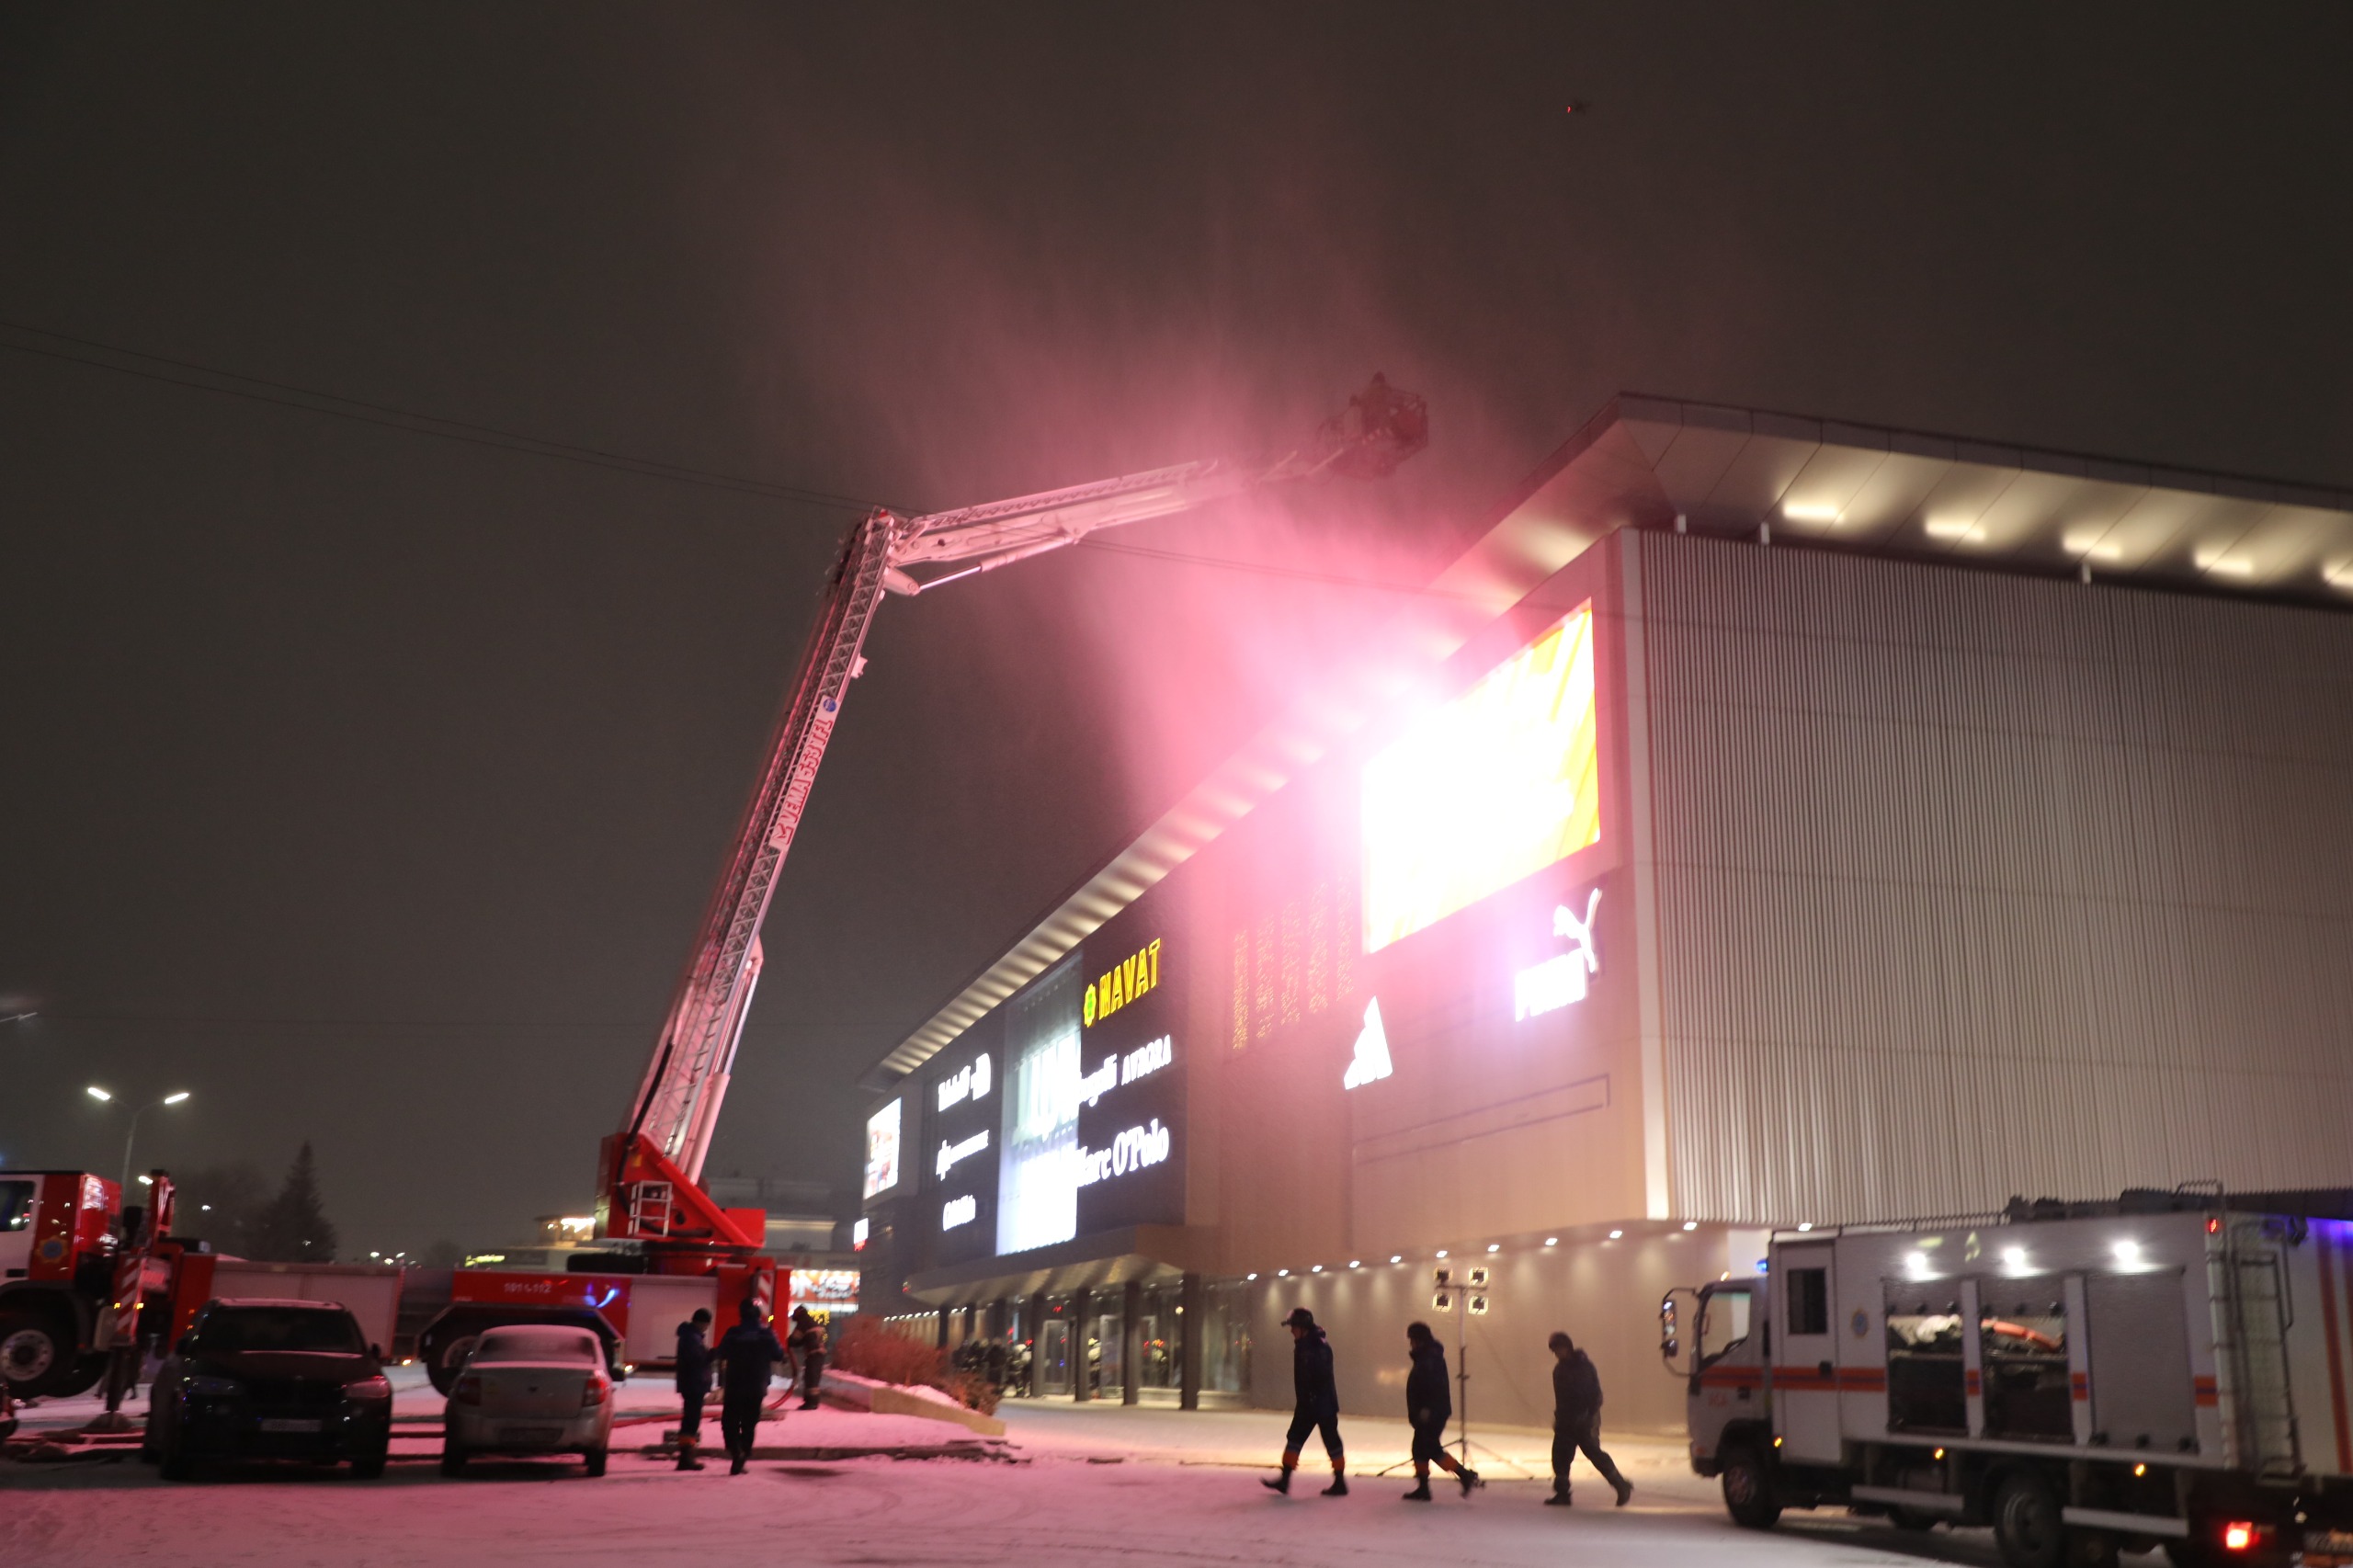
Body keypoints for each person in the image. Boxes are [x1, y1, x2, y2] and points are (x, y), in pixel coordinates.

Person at [1262, 1307, 1346, 1496]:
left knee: (1331, 1440)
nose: (1291, 1330)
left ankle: (1340, 1482)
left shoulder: (1319, 1347)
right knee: (1295, 1438)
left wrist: (1312, 1397)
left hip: (1321, 1404)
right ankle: (1285, 1480)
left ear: (1303, 1327)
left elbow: (1322, 1376)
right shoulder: (1305, 1345)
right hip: (1308, 1403)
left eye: (1294, 1327)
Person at [1547, 1331, 1632, 1507]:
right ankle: (1562, 1493)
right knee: (1560, 1456)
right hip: (1566, 1420)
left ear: (1567, 1348)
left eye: (1558, 1349)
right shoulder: (1560, 1368)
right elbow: (1562, 1398)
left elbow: (1594, 1396)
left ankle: (1620, 1485)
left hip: (1584, 1420)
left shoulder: (1582, 1367)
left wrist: (1586, 1416)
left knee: (1594, 1454)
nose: (1556, 1354)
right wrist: (1560, 1417)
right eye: (1554, 1350)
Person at [1400, 1322, 1480, 1501]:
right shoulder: (1427, 1356)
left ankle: (1464, 1475)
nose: (1410, 1343)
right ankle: (1424, 1488)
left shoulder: (1430, 1358)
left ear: (1418, 1339)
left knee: (1430, 1448)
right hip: (1430, 1411)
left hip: (1432, 1412)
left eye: (1412, 1339)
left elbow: (1434, 1386)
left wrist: (1427, 1409)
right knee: (1420, 1449)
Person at [715, 1297, 786, 1475]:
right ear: (759, 1314)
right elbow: (778, 1355)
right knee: (749, 1423)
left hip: (734, 1385)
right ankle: (742, 1455)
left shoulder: (733, 1333)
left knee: (729, 1421)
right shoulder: (766, 1334)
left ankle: (736, 1452)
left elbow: (721, 1352)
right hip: (756, 1386)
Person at [674, 1307, 714, 1471]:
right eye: (706, 1324)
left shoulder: (690, 1336)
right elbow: (698, 1359)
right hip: (693, 1384)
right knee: (691, 1422)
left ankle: (686, 1457)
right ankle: (686, 1458)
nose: (706, 1327)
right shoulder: (692, 1338)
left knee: (690, 1420)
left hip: (691, 1384)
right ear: (701, 1322)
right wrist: (714, 1353)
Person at [786, 1306, 827, 1411]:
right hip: (817, 1354)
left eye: (794, 1314)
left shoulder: (804, 1322)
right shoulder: (810, 1321)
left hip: (814, 1354)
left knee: (811, 1378)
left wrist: (785, 1341)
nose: (793, 1317)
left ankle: (811, 1403)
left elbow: (794, 1339)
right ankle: (811, 1401)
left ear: (799, 1313)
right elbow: (801, 1340)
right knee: (811, 1377)